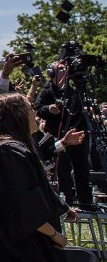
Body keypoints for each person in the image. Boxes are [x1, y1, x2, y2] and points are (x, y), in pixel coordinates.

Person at [0, 93, 73, 261]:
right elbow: (23, 205)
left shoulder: (16, 148)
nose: (35, 113)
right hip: (20, 249)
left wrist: (63, 207)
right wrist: (54, 235)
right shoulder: (8, 152)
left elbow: (35, 189)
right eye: (31, 108)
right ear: (19, 114)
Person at [35, 60, 92, 205]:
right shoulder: (47, 90)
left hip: (76, 135)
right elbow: (38, 108)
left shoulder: (73, 91)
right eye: (60, 69)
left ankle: (86, 201)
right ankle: (67, 201)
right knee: (63, 170)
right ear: (52, 73)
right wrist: (49, 109)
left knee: (82, 168)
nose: (64, 71)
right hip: (58, 137)